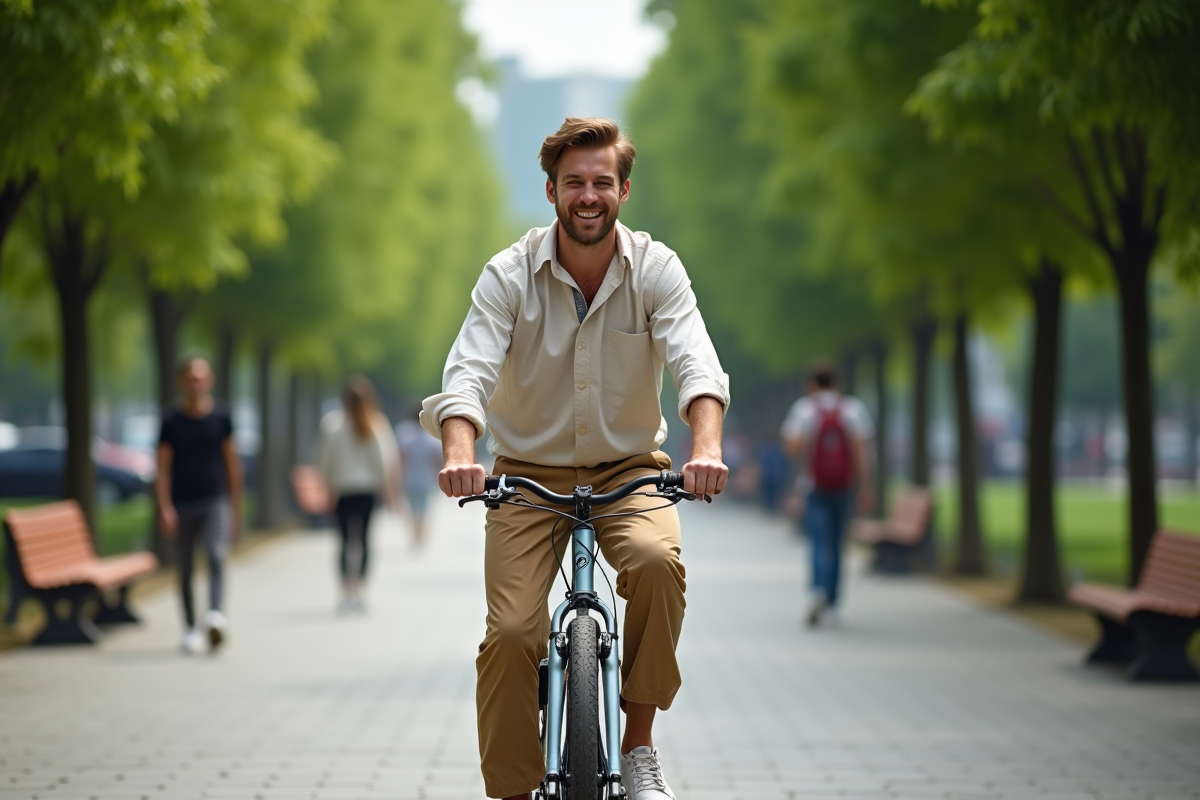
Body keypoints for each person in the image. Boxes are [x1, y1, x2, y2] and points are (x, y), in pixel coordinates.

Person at [423, 117, 730, 800]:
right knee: (508, 635)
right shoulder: (509, 274)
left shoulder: (656, 268)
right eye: (573, 184)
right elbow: (467, 373)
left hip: (629, 471)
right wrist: (461, 453)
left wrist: (706, 447)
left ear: (623, 188)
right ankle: (509, 789)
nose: (587, 196)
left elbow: (696, 366)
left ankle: (639, 744)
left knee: (656, 564)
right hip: (527, 478)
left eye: (600, 182)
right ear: (551, 191)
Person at [156, 357, 242, 654]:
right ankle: (191, 628)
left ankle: (215, 616)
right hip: (182, 502)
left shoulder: (221, 417)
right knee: (186, 566)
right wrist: (165, 507)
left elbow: (231, 463)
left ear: (210, 381)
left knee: (217, 555)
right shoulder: (170, 421)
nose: (195, 383)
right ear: (181, 382)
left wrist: (235, 505)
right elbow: (163, 467)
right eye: (190, 378)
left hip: (214, 499)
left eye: (200, 378)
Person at [780, 362, 875, 628]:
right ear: (836, 383)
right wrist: (866, 487)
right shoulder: (853, 409)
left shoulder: (804, 409)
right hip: (843, 487)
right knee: (837, 544)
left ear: (812, 384)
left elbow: (792, 447)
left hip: (814, 487)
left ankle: (817, 591)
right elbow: (861, 454)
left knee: (819, 542)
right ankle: (833, 602)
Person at [316, 376, 398, 612]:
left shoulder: (332, 424)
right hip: (368, 490)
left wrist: (327, 484)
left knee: (343, 541)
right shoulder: (377, 422)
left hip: (342, 490)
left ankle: (345, 591)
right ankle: (358, 589)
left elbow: (324, 459)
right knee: (364, 540)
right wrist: (386, 486)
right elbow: (385, 458)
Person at [394, 405, 442, 546]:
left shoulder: (403, 433)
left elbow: (400, 458)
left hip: (409, 478)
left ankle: (416, 533)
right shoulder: (431, 435)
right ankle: (420, 533)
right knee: (423, 508)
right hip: (426, 478)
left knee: (413, 508)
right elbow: (436, 459)